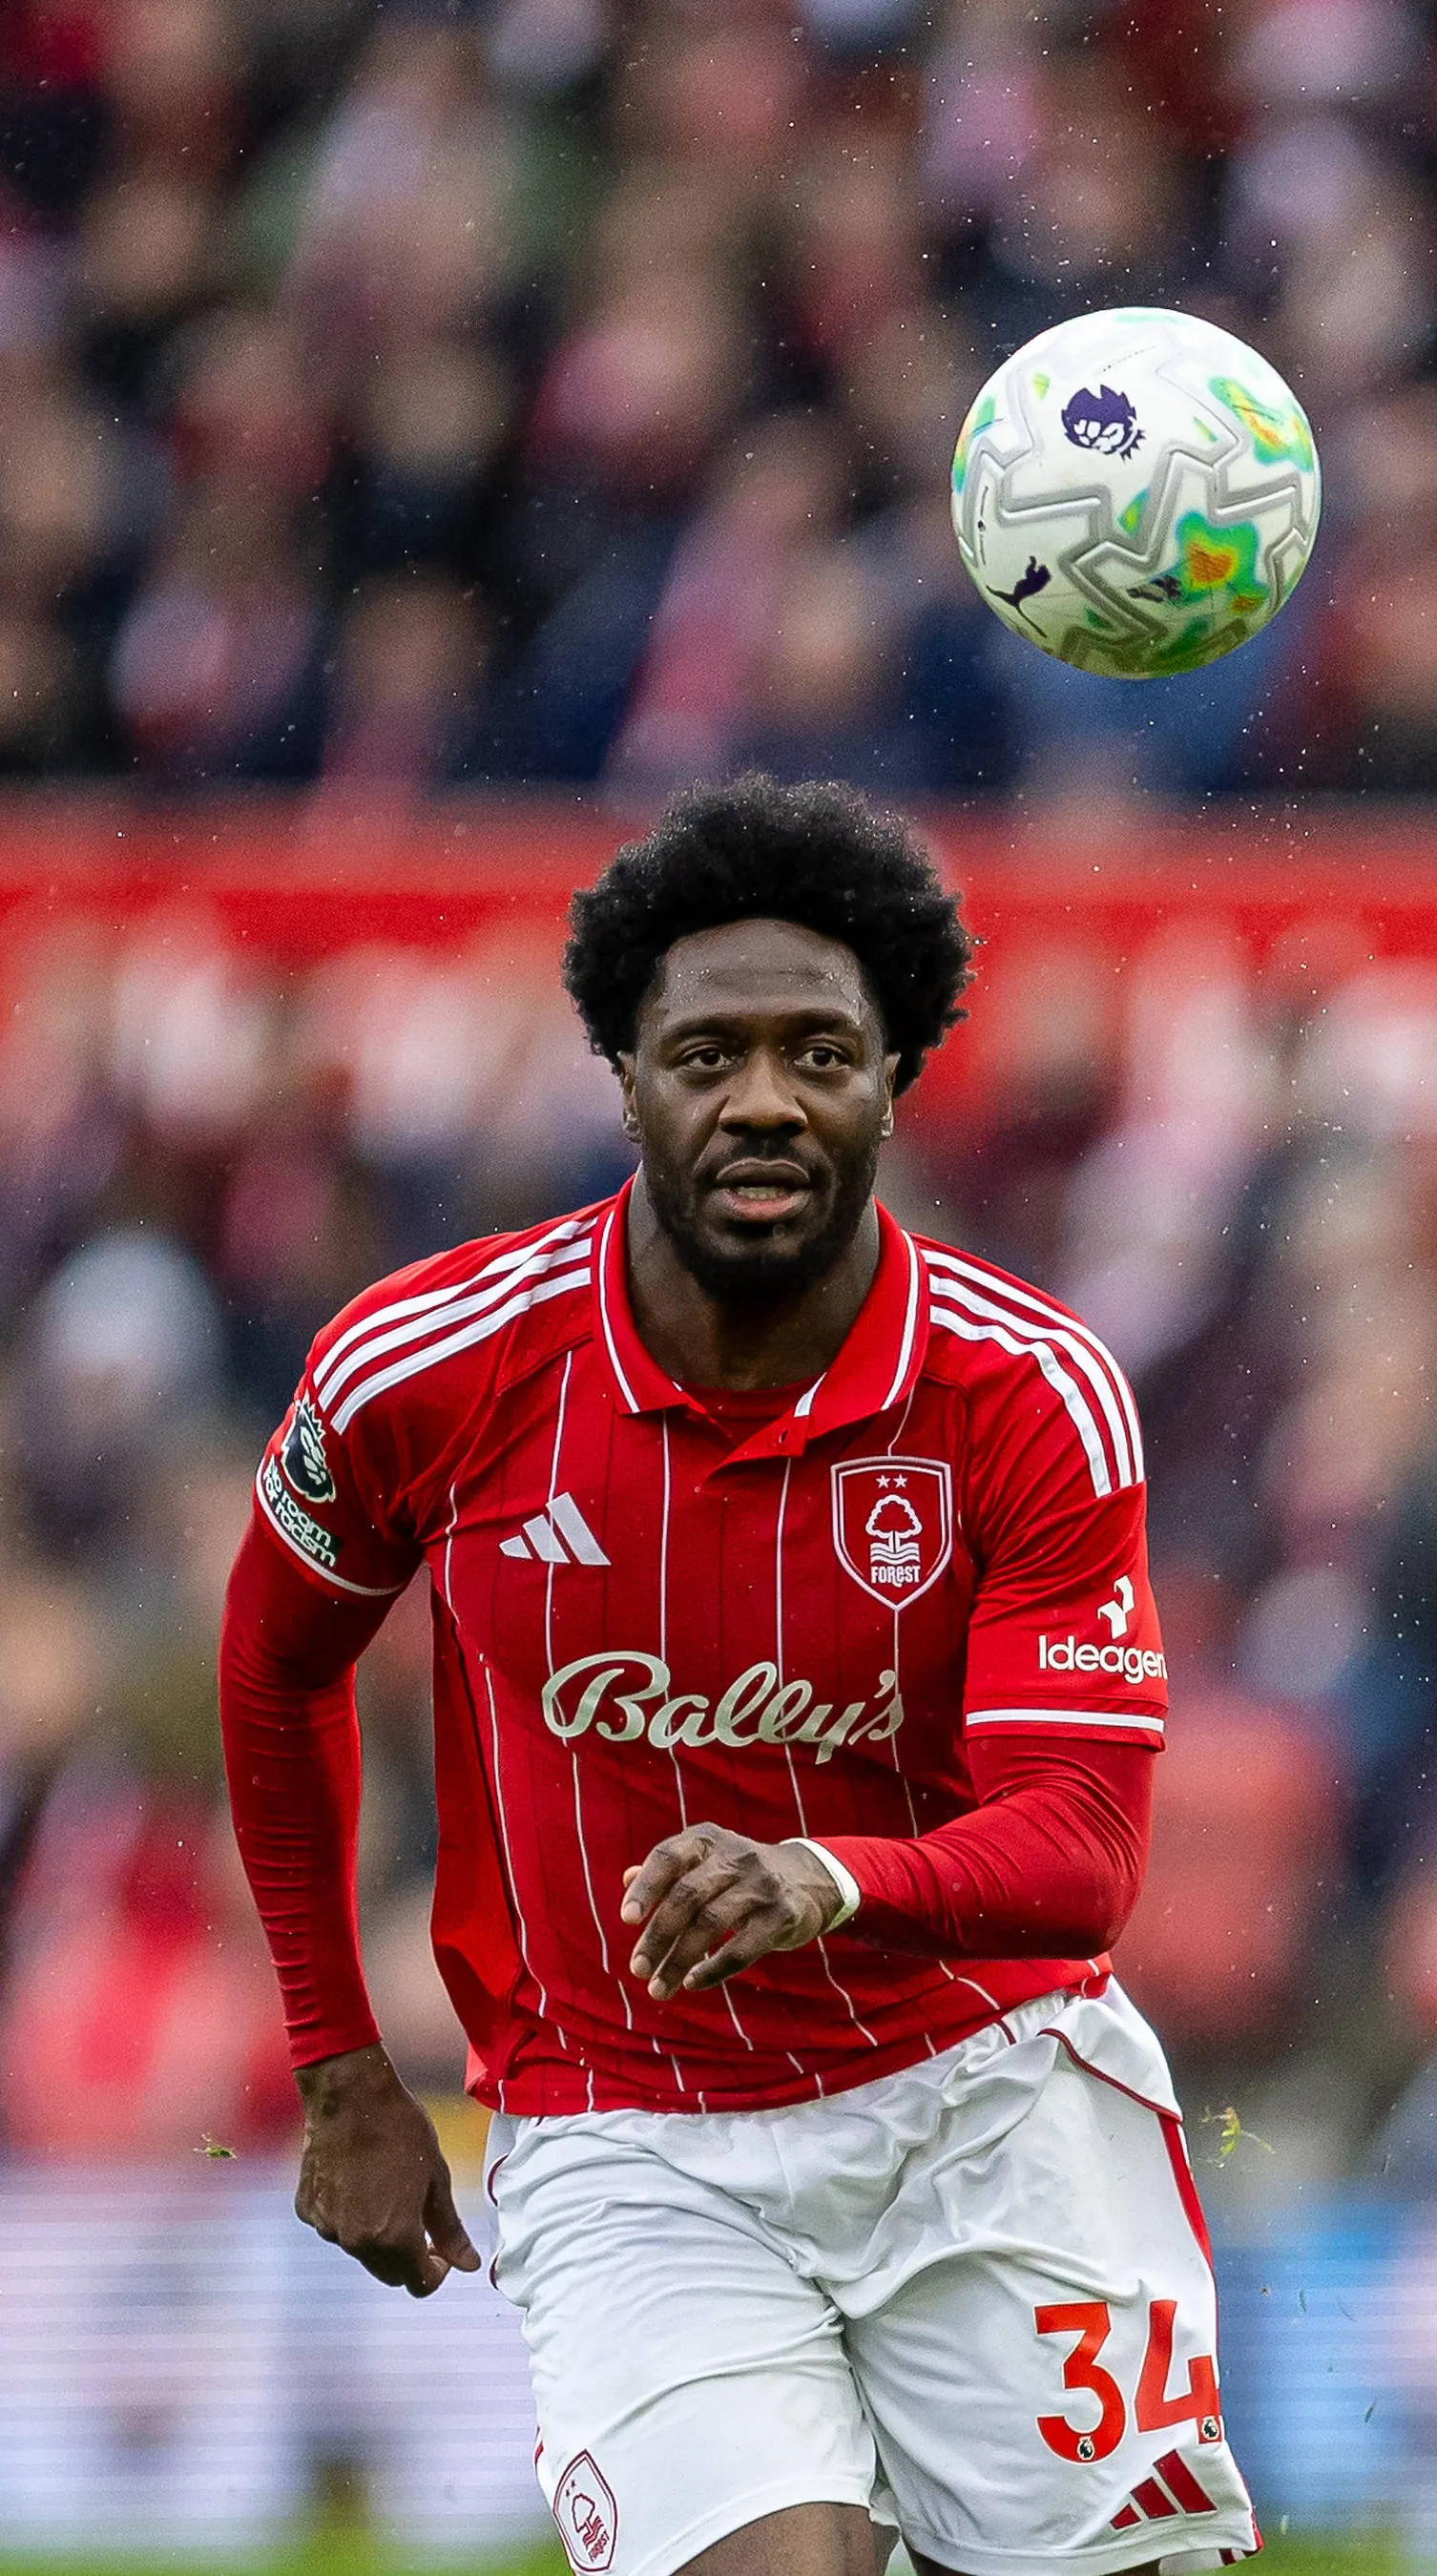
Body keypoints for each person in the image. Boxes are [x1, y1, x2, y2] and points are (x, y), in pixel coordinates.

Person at [219, 774, 1260, 2576]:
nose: (764, 1099)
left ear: (893, 1076)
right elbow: (269, 1671)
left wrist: (827, 1880)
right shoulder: (423, 1373)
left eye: (821, 1053)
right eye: (707, 1055)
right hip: (629, 2134)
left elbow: (1086, 1845)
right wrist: (337, 2068)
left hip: (987, 2101)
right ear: (622, 1075)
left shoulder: (1026, 1392)